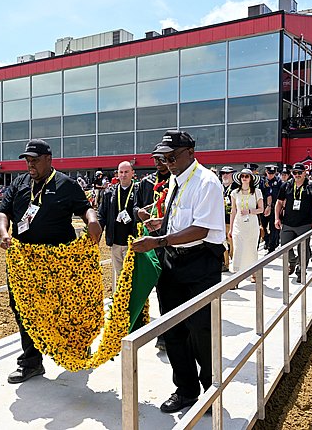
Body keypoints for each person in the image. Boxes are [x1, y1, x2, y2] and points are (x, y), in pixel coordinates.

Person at [132, 130, 226, 413]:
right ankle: (185, 389)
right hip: (173, 259)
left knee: (201, 329)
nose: (168, 163)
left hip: (201, 263)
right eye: (164, 158)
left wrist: (159, 240)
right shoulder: (176, 180)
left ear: (190, 153)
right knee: (172, 328)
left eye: (172, 157)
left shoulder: (207, 182)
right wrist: (162, 223)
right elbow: (182, 217)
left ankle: (211, 389)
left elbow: (201, 228)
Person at [0, 139, 102, 384]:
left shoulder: (66, 184)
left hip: (60, 263)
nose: (30, 164)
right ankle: (31, 362)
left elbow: (86, 208)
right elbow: (3, 212)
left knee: (67, 308)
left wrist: (92, 221)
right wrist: (4, 232)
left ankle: (78, 346)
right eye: (27, 160)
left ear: (48, 159)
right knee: (24, 310)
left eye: (35, 160)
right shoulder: (19, 184)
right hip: (25, 263)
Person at [133, 144, 172, 352]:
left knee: (165, 287)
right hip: (149, 238)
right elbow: (135, 206)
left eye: (162, 158)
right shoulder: (146, 182)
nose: (159, 163)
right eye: (155, 159)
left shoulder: (175, 181)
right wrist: (140, 212)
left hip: (169, 239)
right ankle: (139, 324)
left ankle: (166, 334)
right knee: (144, 283)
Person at [274, 162, 312, 282]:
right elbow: (279, 203)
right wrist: (276, 218)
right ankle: (293, 261)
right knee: (284, 247)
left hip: (305, 223)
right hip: (288, 223)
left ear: (305, 173)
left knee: (304, 249)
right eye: (295, 172)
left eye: (300, 172)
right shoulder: (286, 186)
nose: (297, 175)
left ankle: (301, 271)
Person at [98, 160, 138, 290]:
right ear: (117, 174)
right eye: (121, 172)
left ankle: (135, 306)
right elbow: (102, 215)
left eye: (126, 172)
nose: (123, 175)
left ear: (132, 173)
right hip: (115, 242)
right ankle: (120, 305)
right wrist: (96, 233)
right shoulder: (109, 193)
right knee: (120, 277)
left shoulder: (138, 192)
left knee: (133, 277)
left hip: (132, 244)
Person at [229, 168, 264, 283]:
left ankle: (254, 273)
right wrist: (231, 228)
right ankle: (235, 278)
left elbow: (261, 209)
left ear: (251, 179)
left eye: (246, 176)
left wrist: (249, 211)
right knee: (238, 249)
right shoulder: (234, 193)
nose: (244, 178)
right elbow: (233, 211)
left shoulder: (257, 192)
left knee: (251, 249)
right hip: (238, 225)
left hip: (252, 225)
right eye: (242, 176)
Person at [261, 164, 282, 252]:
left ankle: (272, 247)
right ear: (266, 172)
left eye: (272, 173)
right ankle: (267, 239)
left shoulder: (278, 181)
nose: (270, 175)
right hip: (263, 206)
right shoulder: (262, 182)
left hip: (274, 207)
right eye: (269, 173)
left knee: (273, 227)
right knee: (263, 226)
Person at [220, 166, 236, 272]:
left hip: (233, 220)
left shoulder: (236, 188)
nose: (225, 175)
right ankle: (225, 264)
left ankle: (235, 262)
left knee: (233, 242)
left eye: (227, 173)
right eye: (223, 173)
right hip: (220, 219)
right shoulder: (218, 187)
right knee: (222, 242)